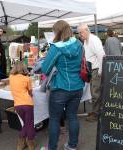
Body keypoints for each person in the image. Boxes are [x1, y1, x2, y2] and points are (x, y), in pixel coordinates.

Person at [41, 20, 85, 150]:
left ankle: (52, 148)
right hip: (77, 87)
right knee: (72, 116)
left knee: (54, 119)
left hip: (61, 88)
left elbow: (45, 69)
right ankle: (72, 146)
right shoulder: (79, 44)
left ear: (57, 32)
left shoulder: (56, 47)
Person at [78, 24, 105, 122]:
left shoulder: (94, 39)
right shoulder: (86, 40)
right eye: (79, 33)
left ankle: (97, 114)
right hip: (92, 70)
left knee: (95, 93)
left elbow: (101, 55)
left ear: (87, 30)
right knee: (94, 93)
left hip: (96, 69)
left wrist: (101, 70)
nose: (80, 35)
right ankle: (95, 111)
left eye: (81, 32)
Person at [9, 61, 35, 150]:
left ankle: (21, 144)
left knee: (26, 124)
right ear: (24, 68)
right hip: (27, 104)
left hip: (17, 105)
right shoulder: (27, 78)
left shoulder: (11, 77)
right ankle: (29, 142)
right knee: (29, 124)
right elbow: (30, 92)